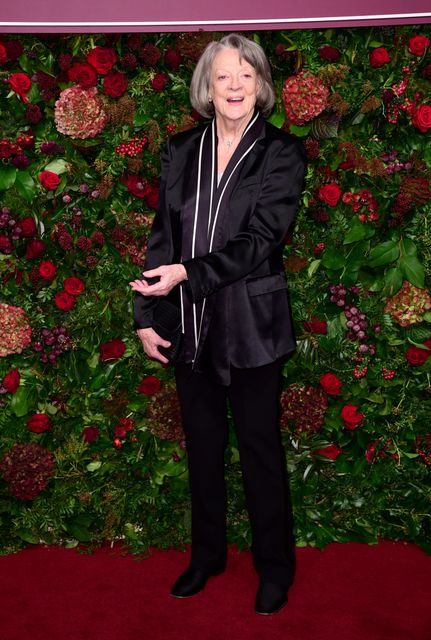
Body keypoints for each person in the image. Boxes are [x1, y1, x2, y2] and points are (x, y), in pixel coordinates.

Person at [129, 33, 306, 615]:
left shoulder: (281, 152)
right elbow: (163, 237)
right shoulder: (181, 149)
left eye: (246, 75)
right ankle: (206, 556)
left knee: (259, 449)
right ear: (206, 87)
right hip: (188, 323)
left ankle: (274, 567)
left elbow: (259, 243)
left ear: (261, 85)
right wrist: (146, 315)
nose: (234, 86)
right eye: (223, 76)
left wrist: (186, 273)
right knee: (202, 450)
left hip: (253, 325)